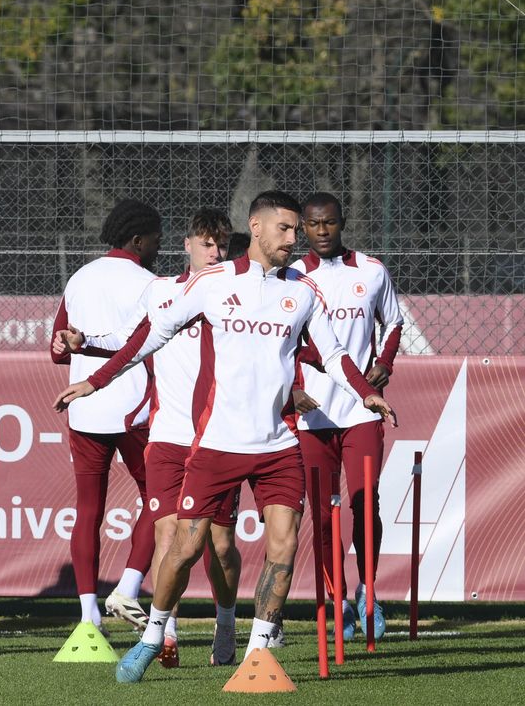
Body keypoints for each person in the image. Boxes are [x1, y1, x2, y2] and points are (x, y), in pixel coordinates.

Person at [53, 190, 396, 683]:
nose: (293, 238)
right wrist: (95, 379)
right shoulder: (212, 283)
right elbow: (149, 334)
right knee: (186, 548)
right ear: (255, 228)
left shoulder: (302, 290)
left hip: (278, 445)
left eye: (296, 230)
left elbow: (335, 353)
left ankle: (259, 650)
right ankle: (154, 634)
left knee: (284, 541)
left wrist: (366, 393)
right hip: (216, 445)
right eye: (285, 229)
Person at [55, 208, 242, 667]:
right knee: (167, 535)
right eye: (206, 244)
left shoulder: (240, 296)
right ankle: (163, 634)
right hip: (166, 433)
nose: (214, 253)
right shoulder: (160, 291)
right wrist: (87, 350)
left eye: (220, 245)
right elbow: (131, 340)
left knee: (218, 544)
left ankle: (227, 619)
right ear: (187, 245)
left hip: (219, 435)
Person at [292, 192, 404, 641]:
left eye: (330, 223)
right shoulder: (293, 277)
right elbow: (282, 342)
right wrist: (294, 388)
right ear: (303, 227)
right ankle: (336, 599)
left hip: (361, 411)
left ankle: (368, 594)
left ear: (342, 223)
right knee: (320, 516)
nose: (322, 231)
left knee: (364, 502)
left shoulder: (372, 271)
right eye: (314, 224)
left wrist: (386, 362)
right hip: (312, 414)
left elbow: (393, 322)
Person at [50, 199, 160, 632]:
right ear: (138, 240)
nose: (159, 245)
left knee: (88, 510)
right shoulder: (152, 283)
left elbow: (58, 350)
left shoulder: (79, 277)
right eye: (155, 238)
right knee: (159, 499)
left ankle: (87, 614)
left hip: (86, 411)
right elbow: (149, 346)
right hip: (136, 410)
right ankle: (130, 588)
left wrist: (78, 349)